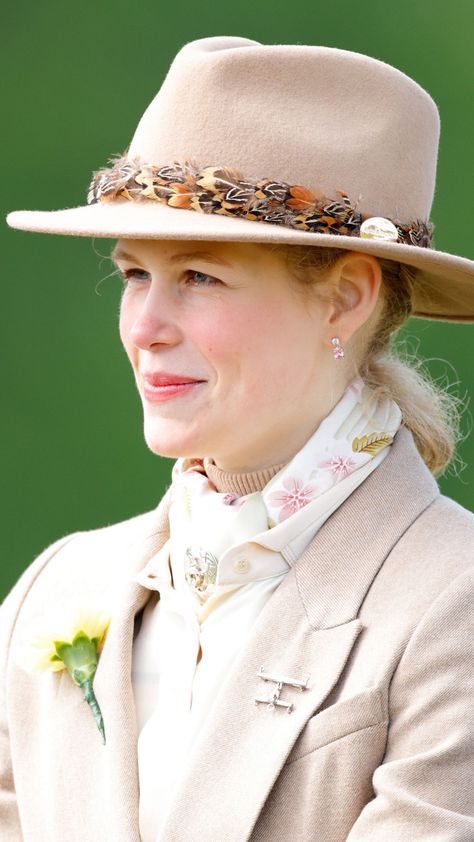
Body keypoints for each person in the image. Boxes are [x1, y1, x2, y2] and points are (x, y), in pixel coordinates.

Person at [2, 34, 474, 842]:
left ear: (345, 298)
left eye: (198, 277)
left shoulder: (452, 599)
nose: (144, 328)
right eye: (134, 275)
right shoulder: (56, 589)